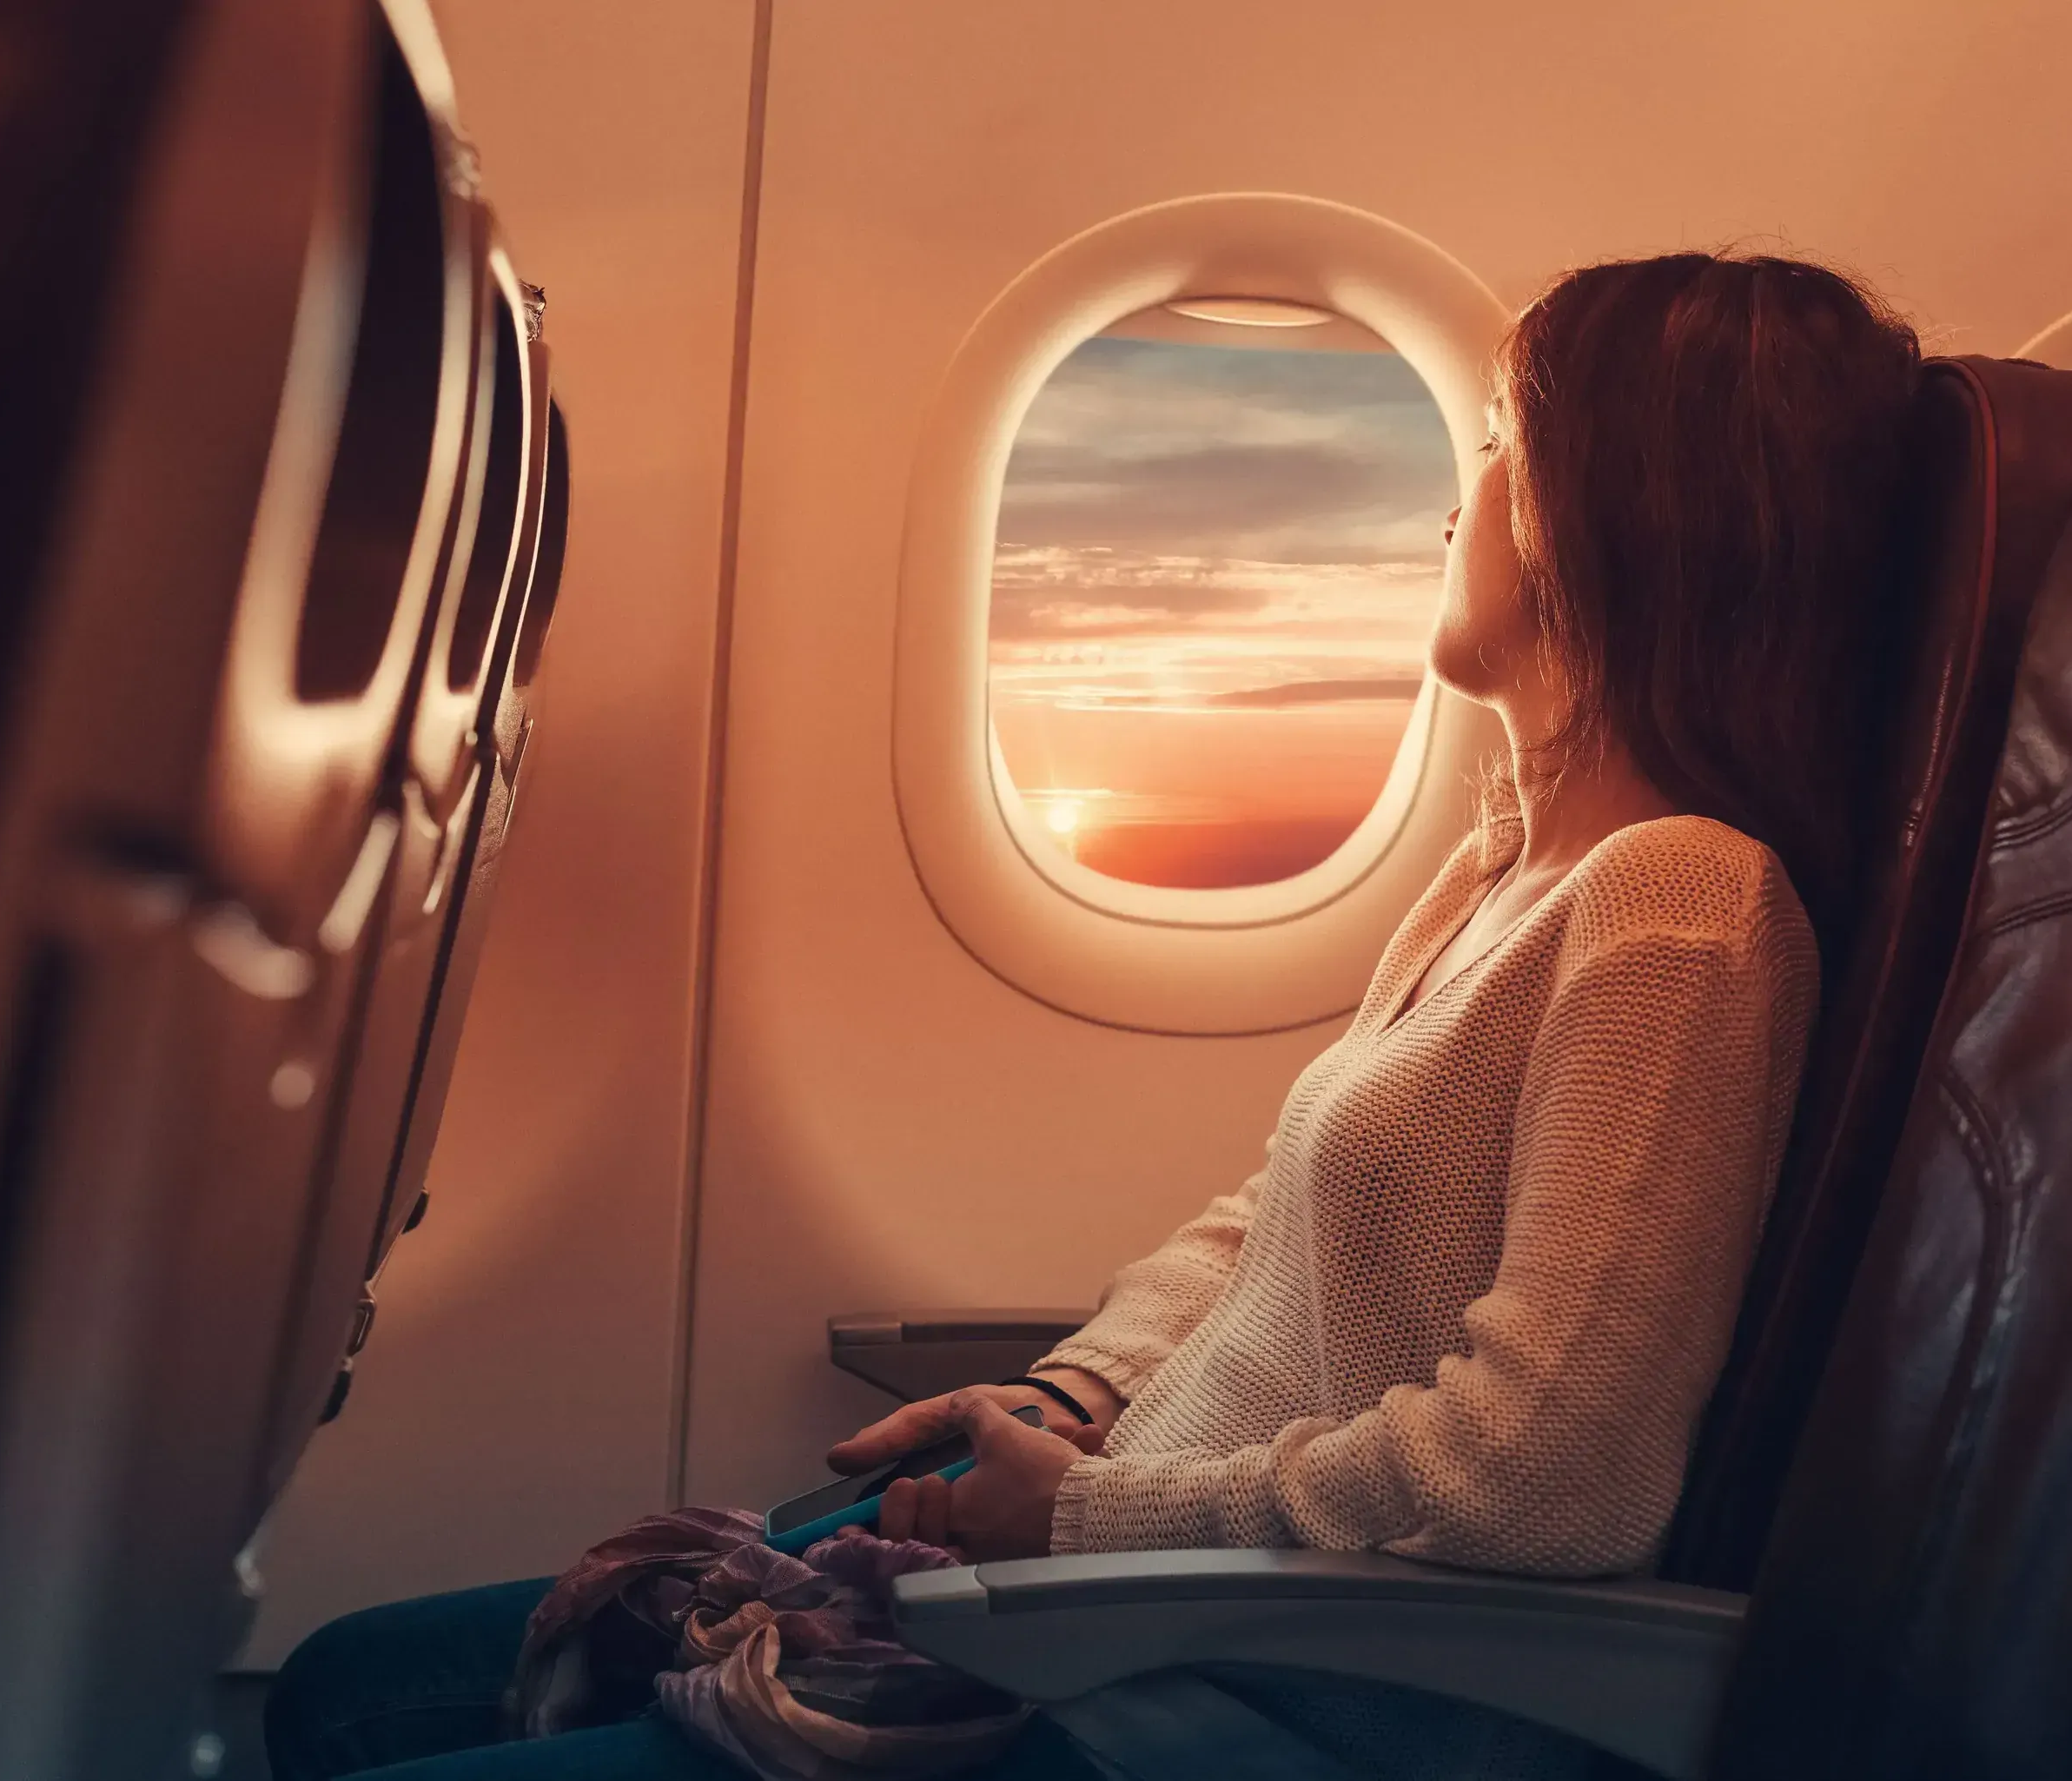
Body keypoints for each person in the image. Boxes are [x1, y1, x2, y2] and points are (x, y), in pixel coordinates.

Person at [265, 250, 1924, 1781]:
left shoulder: (1683, 910)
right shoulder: (1503, 871)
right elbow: (1271, 1225)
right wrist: (1075, 1396)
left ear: (1617, 509)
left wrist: (1084, 1516)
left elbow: (1552, 1475)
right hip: (1124, 1590)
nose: (1456, 494)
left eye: (1494, 442)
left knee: (357, 1711)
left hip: (1239, 1687)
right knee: (344, 1679)